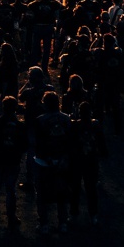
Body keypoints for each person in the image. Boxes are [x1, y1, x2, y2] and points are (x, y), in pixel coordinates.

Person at [33, 91, 74, 235]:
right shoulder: (66, 119)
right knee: (62, 194)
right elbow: (70, 142)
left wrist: (48, 159)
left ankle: (44, 224)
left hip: (44, 162)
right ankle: (62, 222)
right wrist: (64, 158)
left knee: (42, 194)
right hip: (62, 162)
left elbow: (39, 143)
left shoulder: (40, 120)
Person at [0, 95, 26, 229]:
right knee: (10, 190)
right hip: (12, 161)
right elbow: (24, 146)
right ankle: (11, 216)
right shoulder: (20, 126)